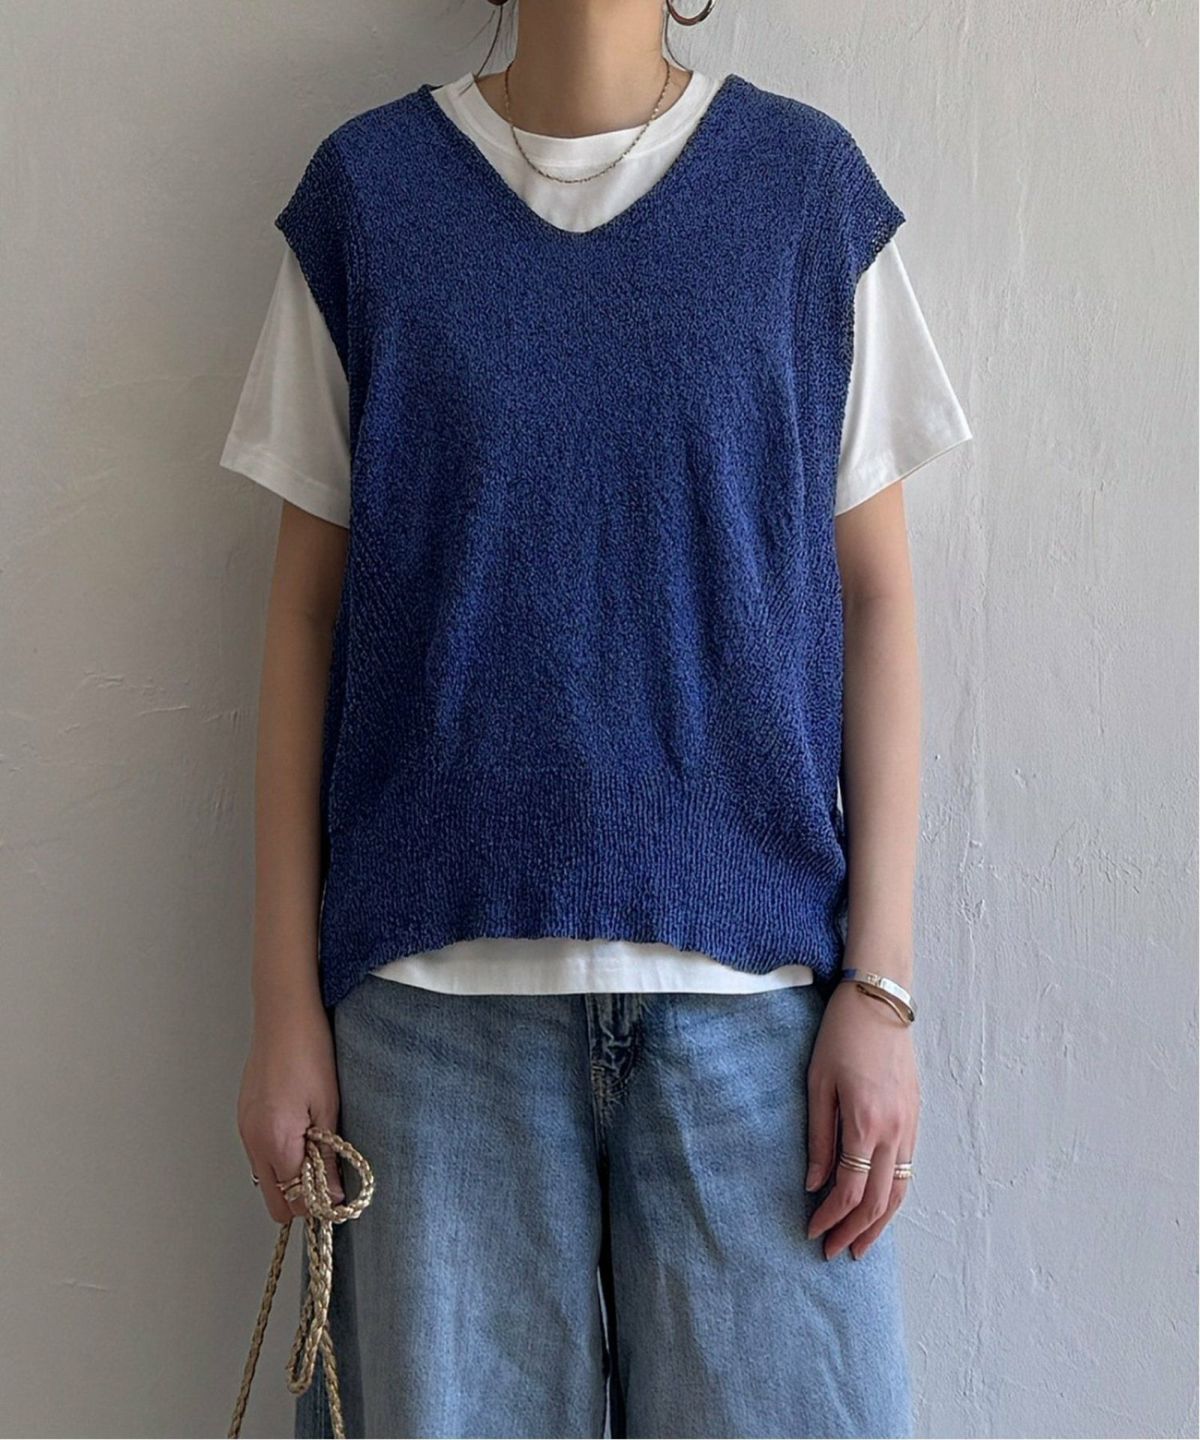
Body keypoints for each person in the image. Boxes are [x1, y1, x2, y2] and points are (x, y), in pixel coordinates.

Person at [220, 2, 973, 1435]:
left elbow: (876, 600)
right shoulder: (369, 199)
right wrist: (281, 1013)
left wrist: (880, 989)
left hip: (757, 1028)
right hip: (428, 1030)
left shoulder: (806, 197)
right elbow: (304, 621)